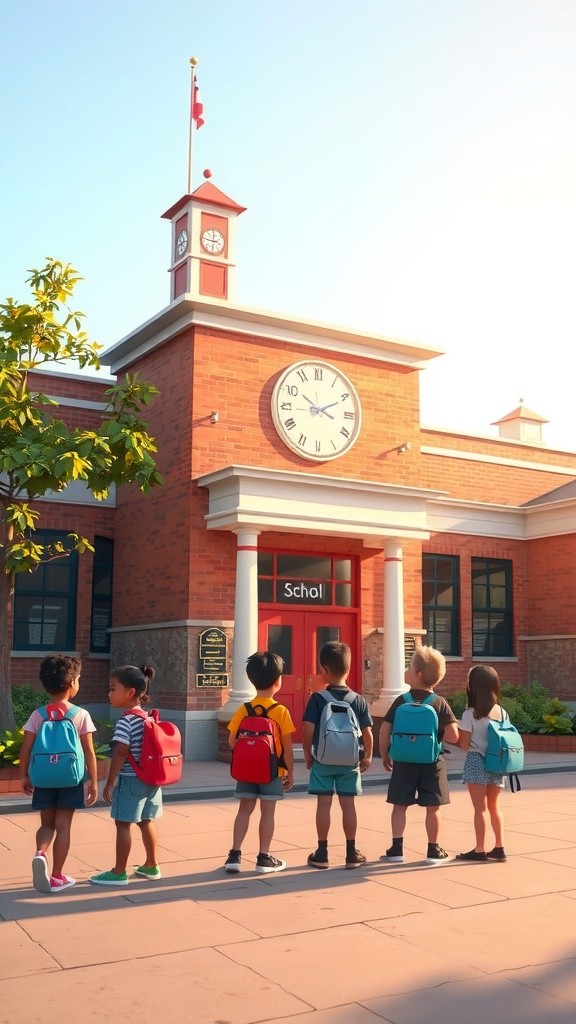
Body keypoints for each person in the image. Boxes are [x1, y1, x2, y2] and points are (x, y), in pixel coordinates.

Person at [19, 655, 98, 893]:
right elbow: (89, 751)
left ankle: (40, 853)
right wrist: (93, 782)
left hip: (43, 779)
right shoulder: (80, 714)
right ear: (72, 682)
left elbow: (26, 749)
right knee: (63, 826)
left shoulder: (38, 715)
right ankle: (56, 876)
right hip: (70, 779)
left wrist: (24, 776)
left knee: (47, 824)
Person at [379, 645, 459, 865]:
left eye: (409, 667)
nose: (406, 670)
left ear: (418, 674)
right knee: (433, 808)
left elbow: (385, 729)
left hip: (403, 761)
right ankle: (433, 850)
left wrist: (385, 753)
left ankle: (396, 849)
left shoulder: (401, 701)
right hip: (432, 762)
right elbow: (453, 736)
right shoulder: (439, 703)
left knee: (399, 805)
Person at [302, 641, 373, 869]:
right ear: (349, 669)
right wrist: (368, 756)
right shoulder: (358, 700)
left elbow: (307, 730)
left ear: (323, 670)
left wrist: (308, 755)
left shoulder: (317, 699)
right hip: (349, 762)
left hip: (323, 760)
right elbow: (367, 733)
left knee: (324, 804)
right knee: (348, 805)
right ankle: (351, 853)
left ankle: (322, 853)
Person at [90, 665, 162, 885]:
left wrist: (109, 782)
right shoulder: (149, 717)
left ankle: (119, 871)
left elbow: (121, 753)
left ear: (130, 692)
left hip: (131, 780)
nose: (109, 694)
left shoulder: (126, 721)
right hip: (150, 780)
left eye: (113, 689)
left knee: (122, 824)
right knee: (146, 821)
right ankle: (151, 865)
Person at [225, 651, 295, 874]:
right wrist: (290, 772)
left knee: (244, 809)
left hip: (246, 771)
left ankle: (234, 855)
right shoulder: (280, 711)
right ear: (278, 681)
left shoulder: (244, 709)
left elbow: (232, 741)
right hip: (272, 772)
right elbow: (287, 747)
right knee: (268, 811)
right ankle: (264, 857)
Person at [456, 664, 508, 861]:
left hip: (476, 761)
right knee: (495, 806)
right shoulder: (502, 712)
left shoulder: (470, 714)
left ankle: (479, 849)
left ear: (473, 686)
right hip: (497, 762)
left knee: (480, 809)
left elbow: (464, 745)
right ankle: (499, 847)